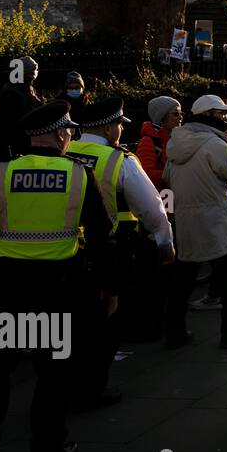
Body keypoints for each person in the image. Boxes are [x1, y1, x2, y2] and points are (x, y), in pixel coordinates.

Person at [0, 101, 111, 452]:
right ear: (61, 133)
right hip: (56, 290)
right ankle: (48, 448)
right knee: (52, 376)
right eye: (69, 132)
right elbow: (100, 236)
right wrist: (107, 288)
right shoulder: (79, 176)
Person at [66, 98, 175, 409]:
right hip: (114, 246)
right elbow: (152, 208)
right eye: (118, 124)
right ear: (106, 126)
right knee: (107, 320)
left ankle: (69, 378)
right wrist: (165, 242)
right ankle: (92, 387)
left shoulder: (67, 152)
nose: (119, 130)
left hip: (69, 249)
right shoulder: (119, 160)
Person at [163, 94, 227, 349]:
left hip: (187, 220)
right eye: (220, 114)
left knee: (183, 279)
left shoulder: (175, 143)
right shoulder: (214, 144)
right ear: (208, 116)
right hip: (217, 219)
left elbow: (167, 177)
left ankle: (175, 332)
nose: (224, 118)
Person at [136, 96, 183, 189]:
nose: (181, 117)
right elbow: (147, 175)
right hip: (162, 199)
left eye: (181, 113)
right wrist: (179, 174)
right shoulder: (148, 142)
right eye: (176, 114)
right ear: (161, 119)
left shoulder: (178, 139)